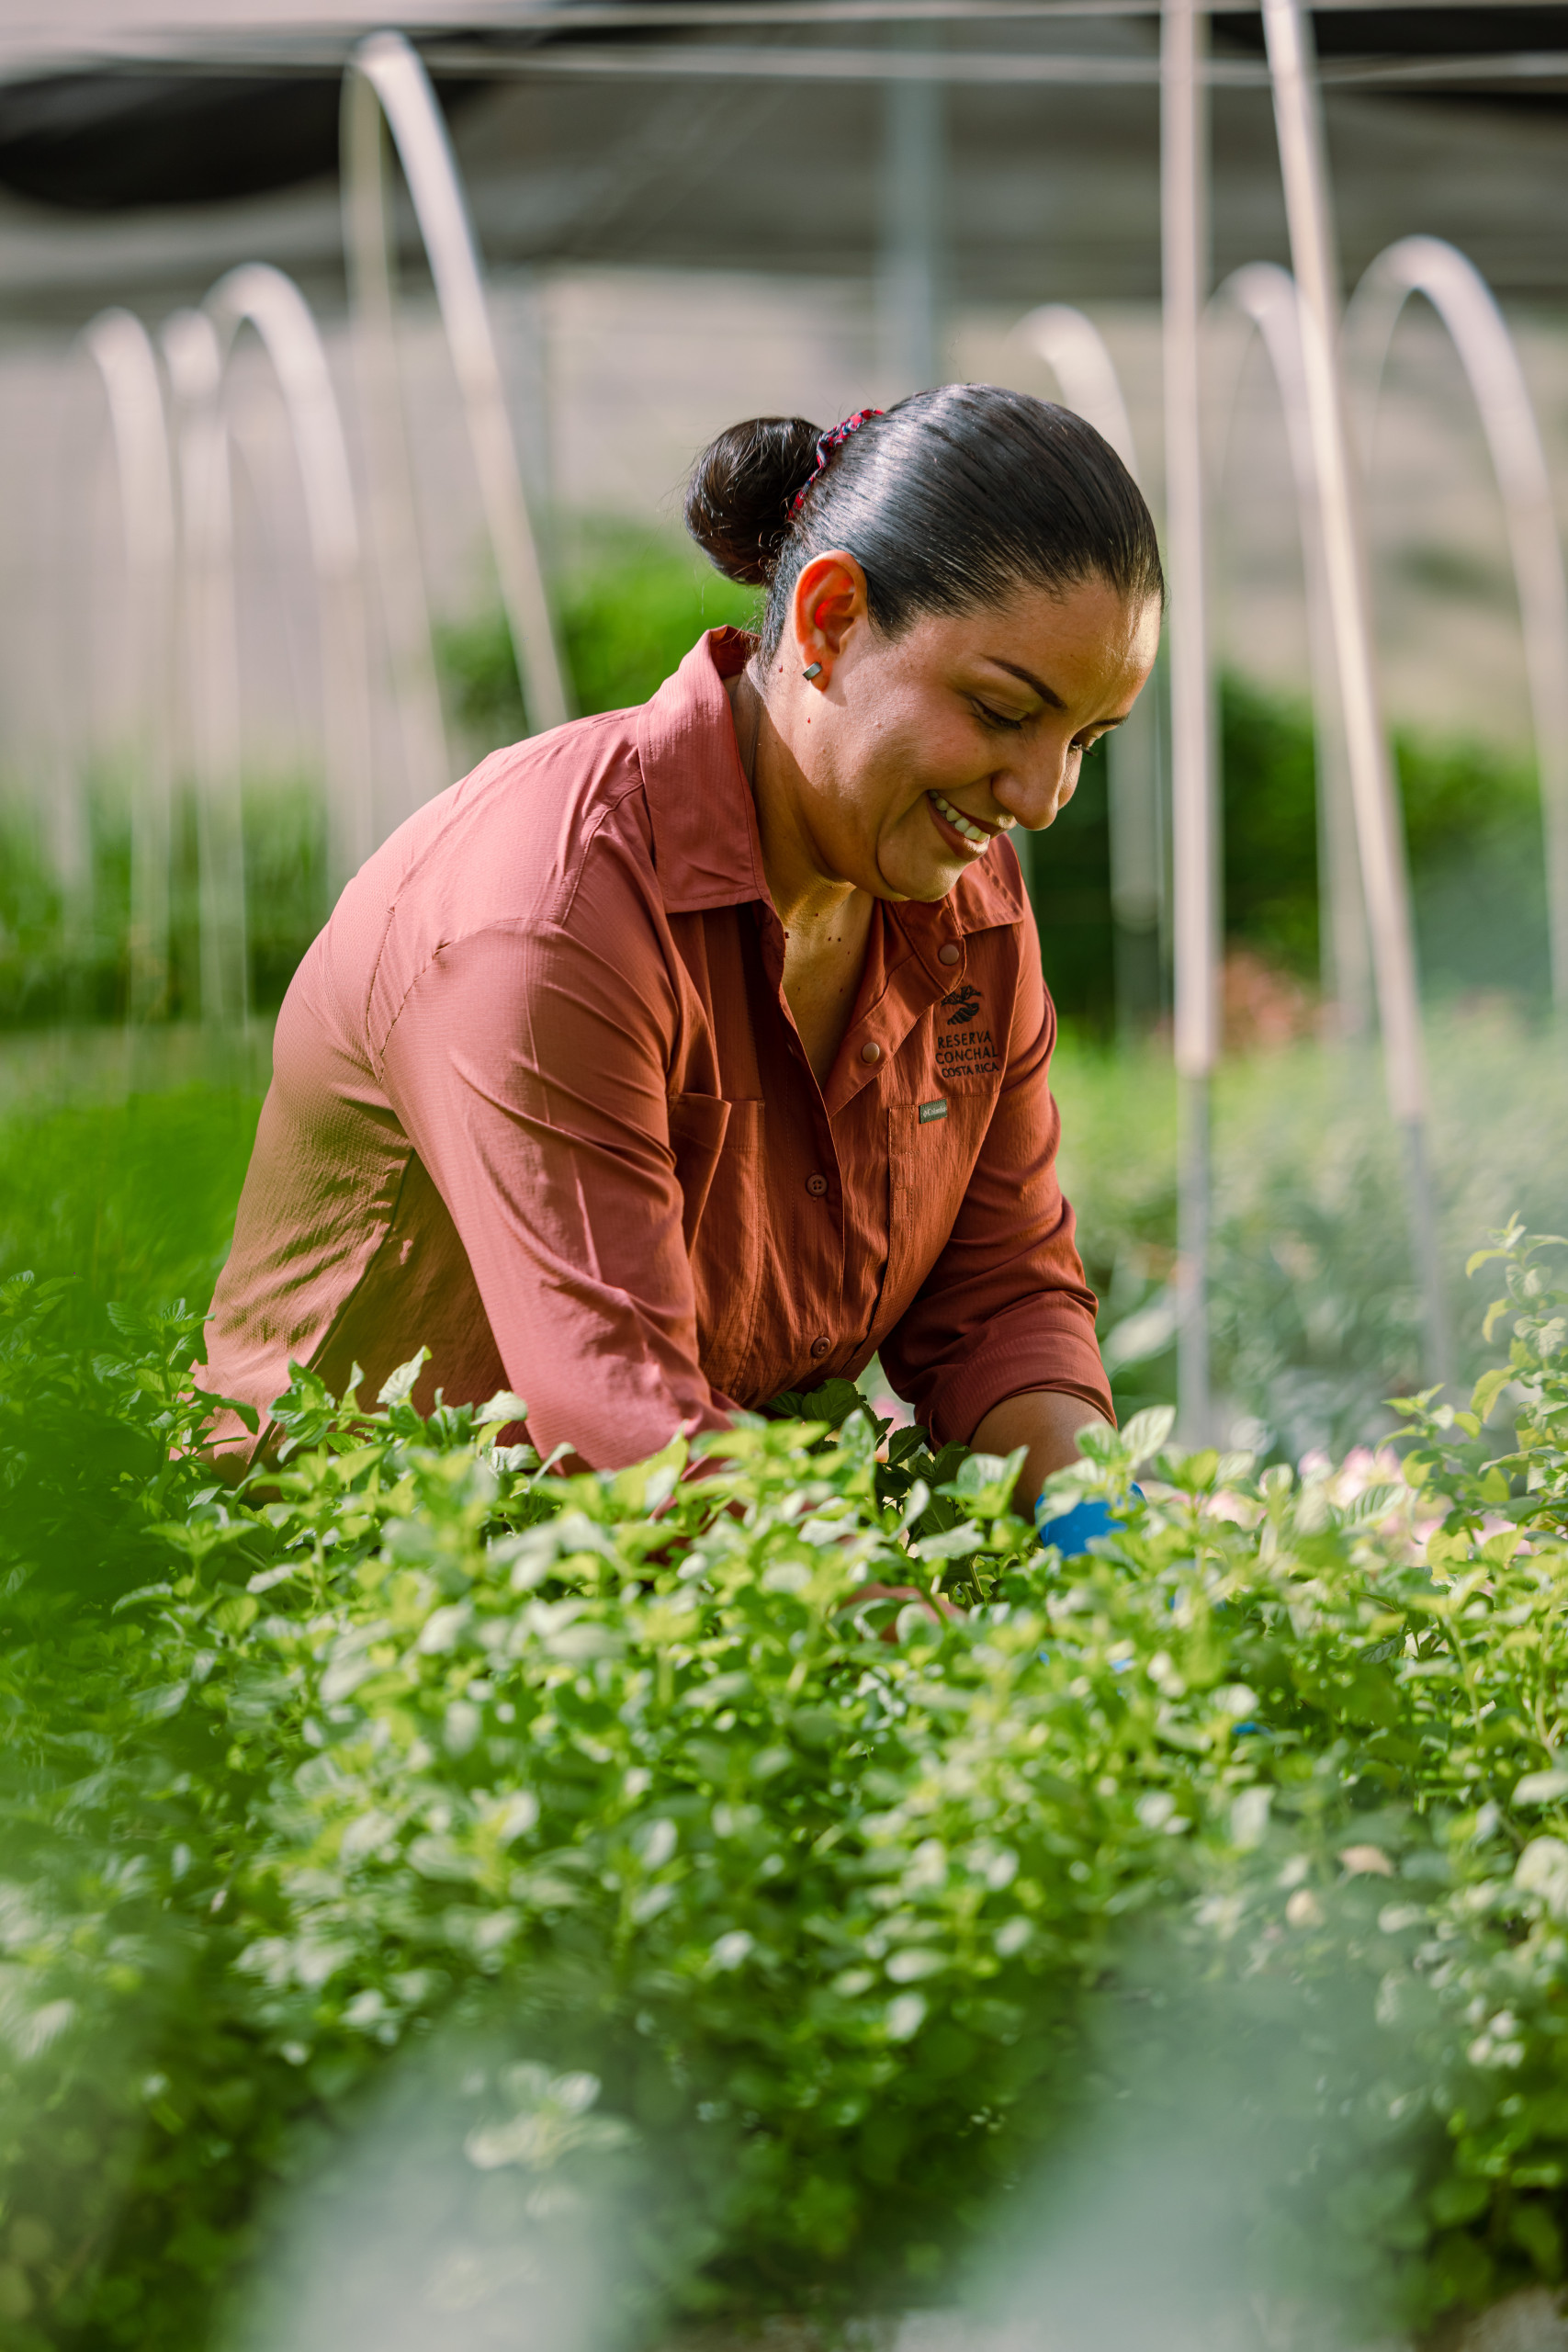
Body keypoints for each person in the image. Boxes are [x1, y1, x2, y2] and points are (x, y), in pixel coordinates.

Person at [202, 385, 1162, 1515]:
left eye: (1086, 740)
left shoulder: (968, 909)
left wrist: (1106, 1554)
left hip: (693, 1567)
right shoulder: (552, 909)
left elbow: (1001, 1303)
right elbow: (625, 1423)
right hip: (358, 1571)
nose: (1042, 799)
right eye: (1003, 712)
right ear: (831, 621)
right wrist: (913, 1625)